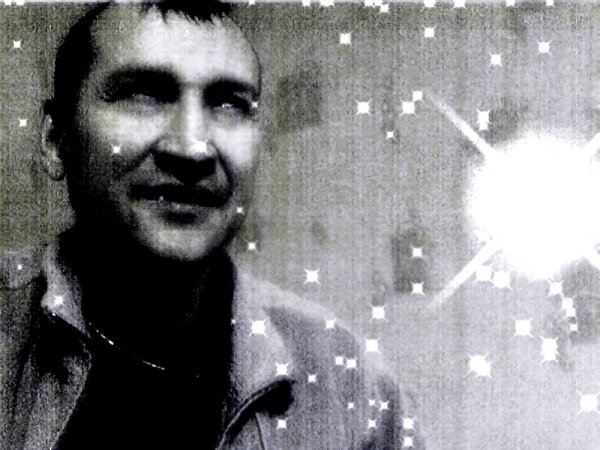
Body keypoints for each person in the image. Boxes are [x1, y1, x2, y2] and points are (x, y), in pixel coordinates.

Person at [0, 1, 423, 448]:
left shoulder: (353, 391)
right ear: (55, 140)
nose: (192, 148)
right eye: (144, 95)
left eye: (228, 103)